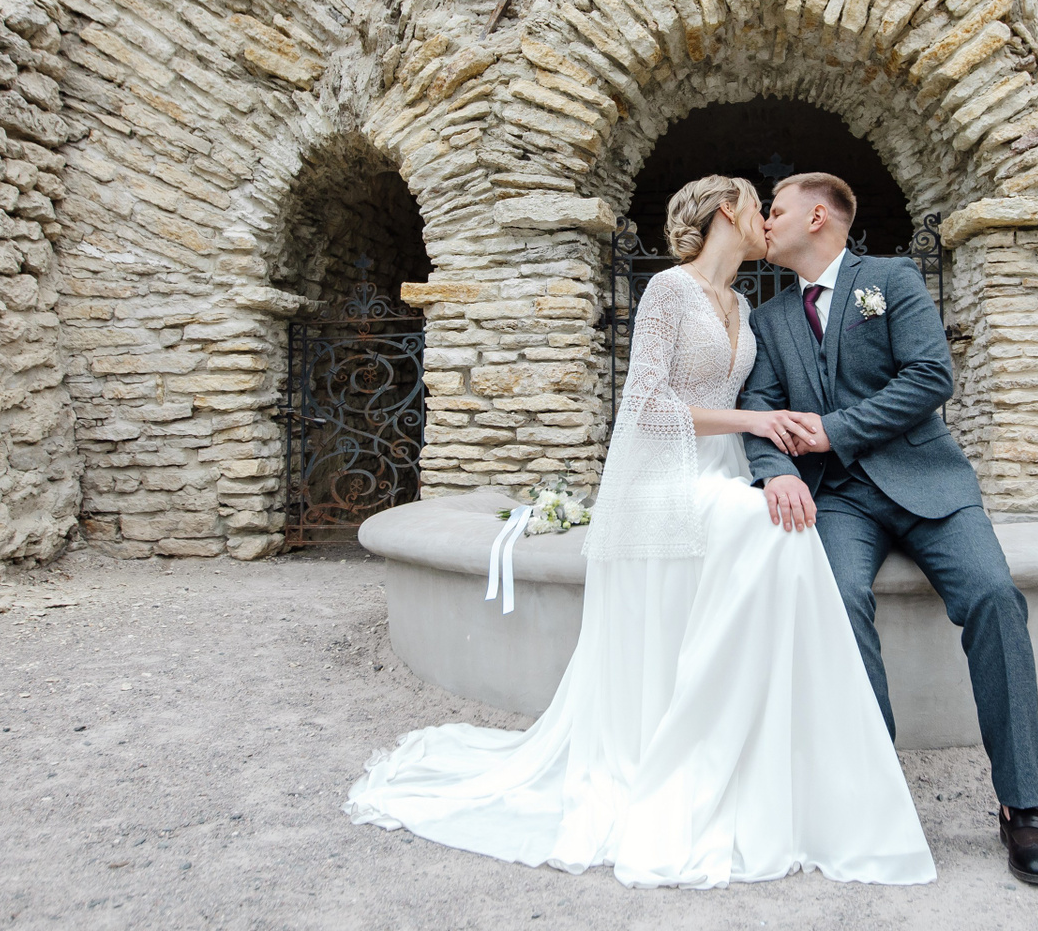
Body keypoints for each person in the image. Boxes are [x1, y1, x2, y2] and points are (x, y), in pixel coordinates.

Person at [345, 175, 935, 889]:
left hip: (723, 472)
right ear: (729, 211)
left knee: (780, 528)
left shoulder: (746, 305)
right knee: (772, 528)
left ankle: (766, 751)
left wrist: (765, 442)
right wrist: (754, 421)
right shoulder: (667, 291)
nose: (766, 220)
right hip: (666, 477)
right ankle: (705, 740)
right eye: (760, 207)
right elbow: (647, 407)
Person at [739, 171, 1038, 887]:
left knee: (994, 596)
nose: (764, 222)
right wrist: (776, 472)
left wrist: (833, 432)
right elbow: (759, 408)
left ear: (817, 216)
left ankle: (1022, 803)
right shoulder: (768, 319)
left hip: (929, 485)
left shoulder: (891, 279)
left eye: (775, 210)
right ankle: (877, 789)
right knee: (837, 601)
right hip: (837, 499)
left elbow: (929, 377)